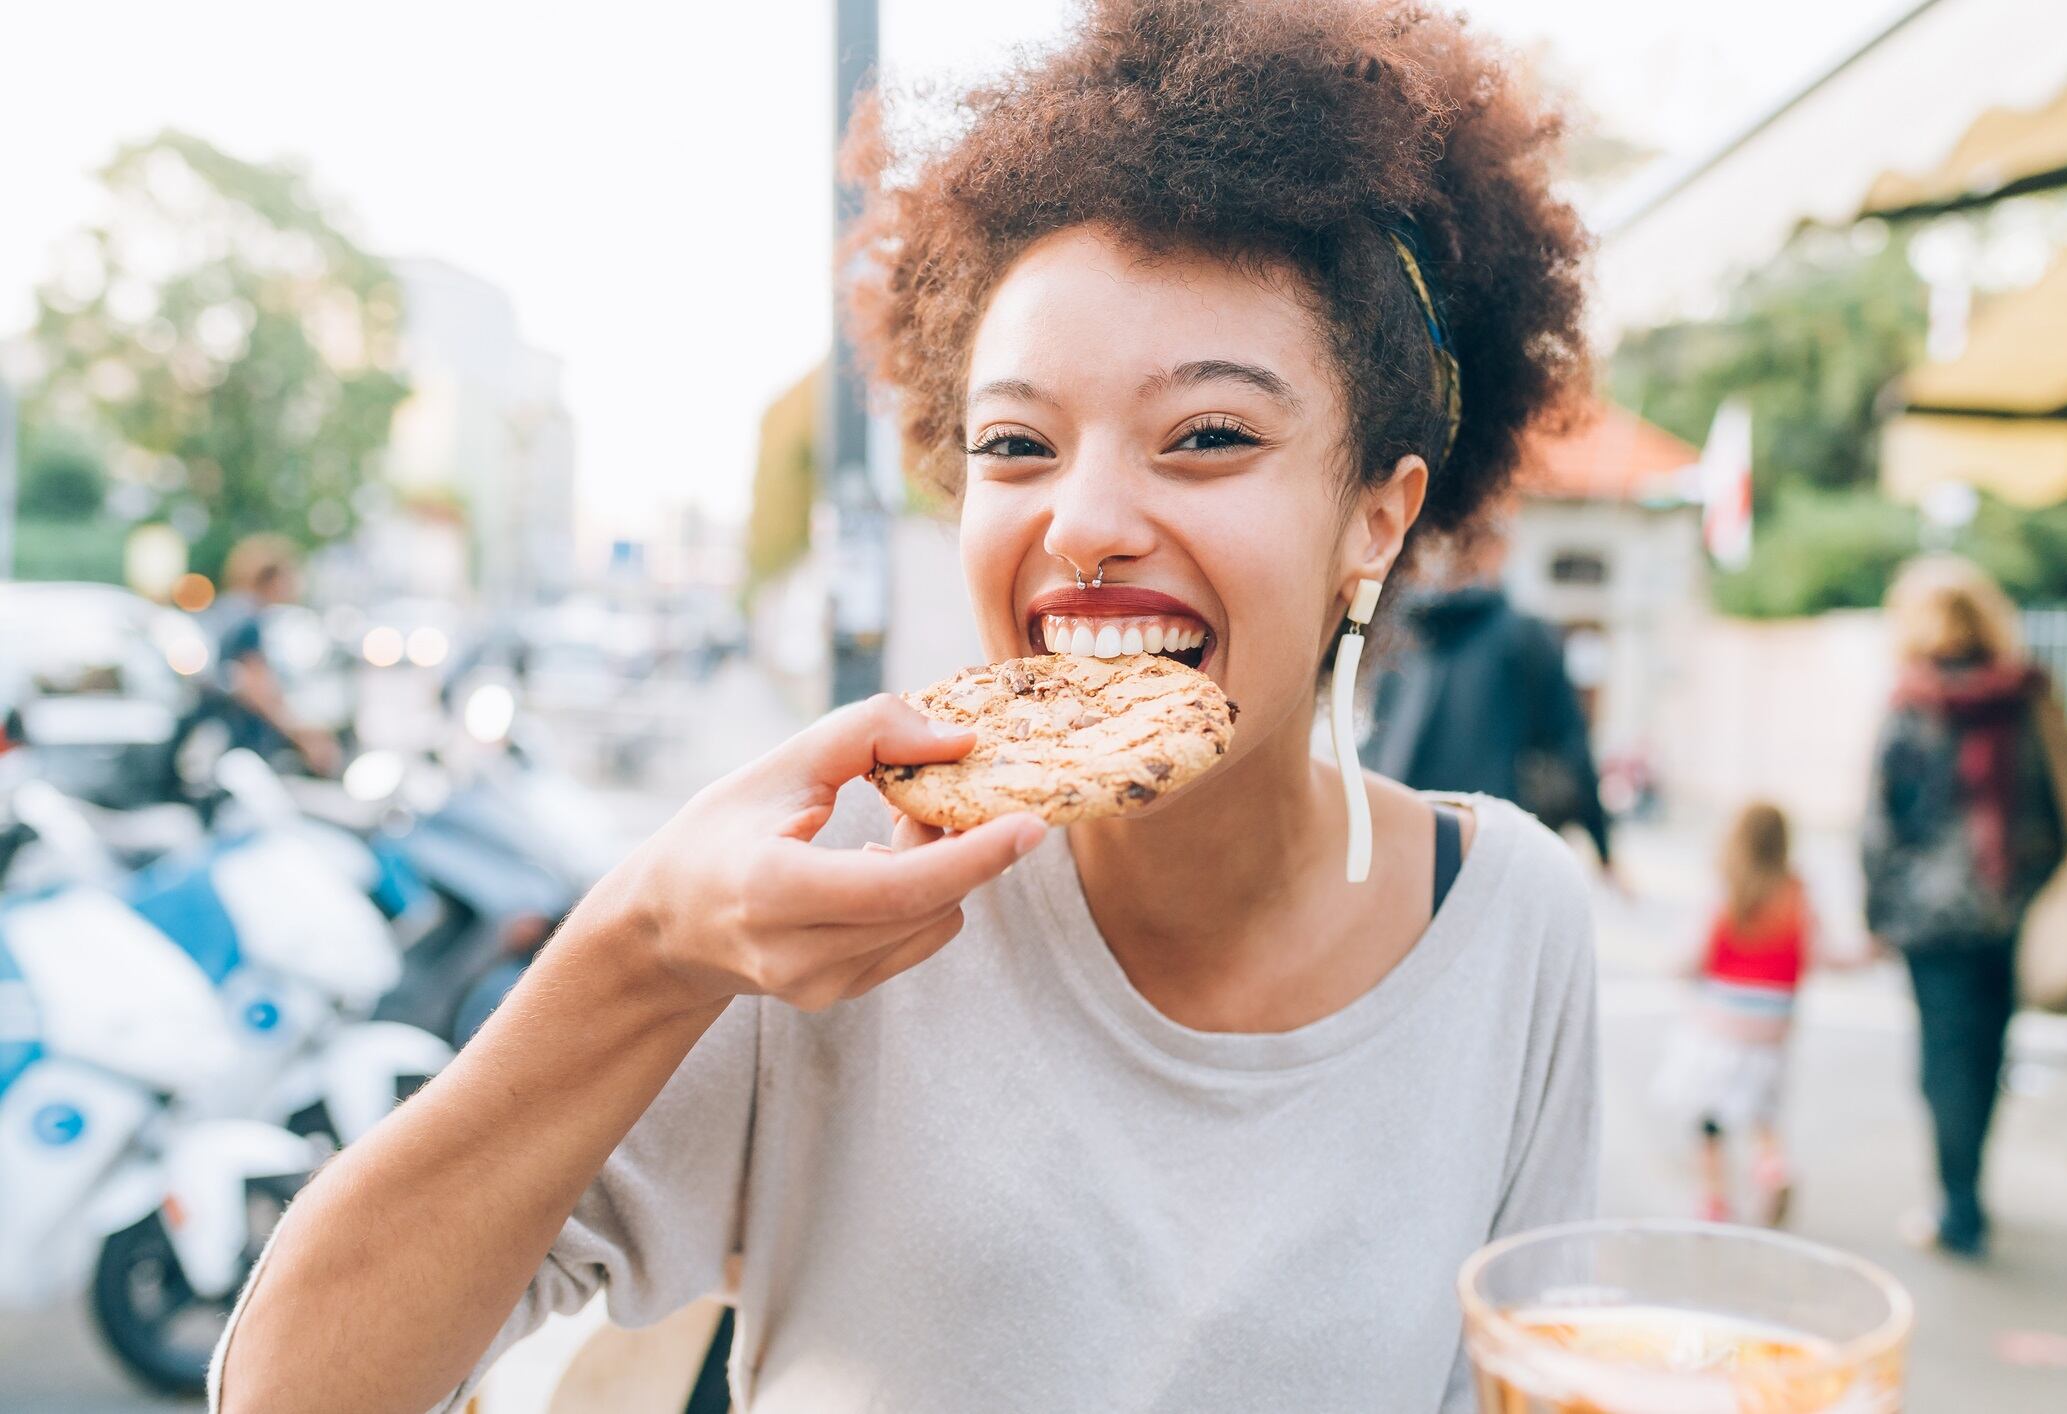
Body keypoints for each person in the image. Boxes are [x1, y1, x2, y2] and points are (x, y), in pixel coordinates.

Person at [212, 3, 1598, 1410]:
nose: (1086, 523)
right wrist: (646, 948)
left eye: (1209, 435)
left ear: (1378, 512)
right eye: (1017, 443)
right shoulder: (821, 913)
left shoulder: (1509, 926)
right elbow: (286, 1390)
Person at [1862, 555, 2065, 1258]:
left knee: (1943, 1059)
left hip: (1931, 917)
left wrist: (1874, 913)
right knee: (1985, 1053)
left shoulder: (1910, 705)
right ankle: (1967, 1187)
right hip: (2011, 908)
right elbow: (2065, 801)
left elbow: (1881, 822)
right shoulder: (2029, 697)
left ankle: (1959, 1206)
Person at [1365, 515, 1616, 875]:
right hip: (1487, 840)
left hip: (1398, 829)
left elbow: (1374, 737)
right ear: (1494, 550)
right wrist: (1603, 845)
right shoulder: (1525, 635)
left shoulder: (1399, 632)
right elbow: (1570, 743)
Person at [1655, 802, 1818, 1226]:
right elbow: (1821, 951)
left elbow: (1689, 958)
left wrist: (1676, 970)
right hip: (1772, 1030)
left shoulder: (1725, 892)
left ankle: (1714, 1202)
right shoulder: (1797, 892)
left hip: (1720, 1027)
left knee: (1710, 1118)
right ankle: (1773, 1167)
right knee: (1762, 1110)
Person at [206, 533, 341, 777]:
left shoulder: (231, 611)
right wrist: (303, 735)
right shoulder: (248, 622)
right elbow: (258, 690)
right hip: (241, 739)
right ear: (273, 580)